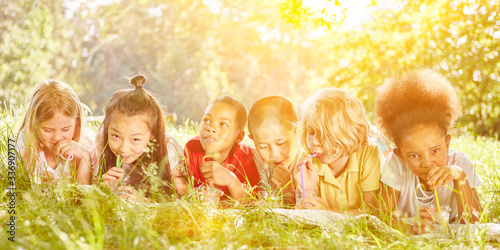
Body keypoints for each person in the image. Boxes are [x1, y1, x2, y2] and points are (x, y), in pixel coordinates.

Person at [375, 69, 482, 234]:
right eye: (414, 155)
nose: (427, 162)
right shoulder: (395, 164)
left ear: (447, 143)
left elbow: (476, 223)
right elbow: (382, 216)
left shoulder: (459, 163)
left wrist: (460, 177)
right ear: (400, 155)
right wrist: (410, 227)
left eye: (435, 150)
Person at [294, 87, 383, 215]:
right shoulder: (308, 161)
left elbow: (373, 212)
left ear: (348, 134)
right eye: (311, 132)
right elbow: (307, 216)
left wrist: (329, 212)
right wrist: (309, 190)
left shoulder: (369, 153)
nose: (314, 142)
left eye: (324, 134)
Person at [98, 75, 183, 200]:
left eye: (135, 140)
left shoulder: (168, 150)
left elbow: (184, 200)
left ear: (152, 134)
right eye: (116, 136)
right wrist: (104, 192)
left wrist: (143, 202)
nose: (124, 149)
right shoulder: (102, 143)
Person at [181, 95, 260, 203]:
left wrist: (230, 180)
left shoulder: (246, 157)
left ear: (238, 136)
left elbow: (252, 203)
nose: (211, 128)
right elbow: (188, 192)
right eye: (206, 120)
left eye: (223, 124)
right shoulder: (192, 148)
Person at [17, 80, 94, 185]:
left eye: (66, 129)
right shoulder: (25, 144)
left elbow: (86, 197)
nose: (57, 137)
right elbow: (19, 191)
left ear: (77, 122)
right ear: (34, 124)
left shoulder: (87, 143)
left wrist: (85, 156)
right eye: (47, 130)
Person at [248, 96, 302, 207]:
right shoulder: (250, 161)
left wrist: (288, 190)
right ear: (252, 140)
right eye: (263, 146)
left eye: (281, 143)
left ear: (296, 132)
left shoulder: (308, 162)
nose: (274, 154)